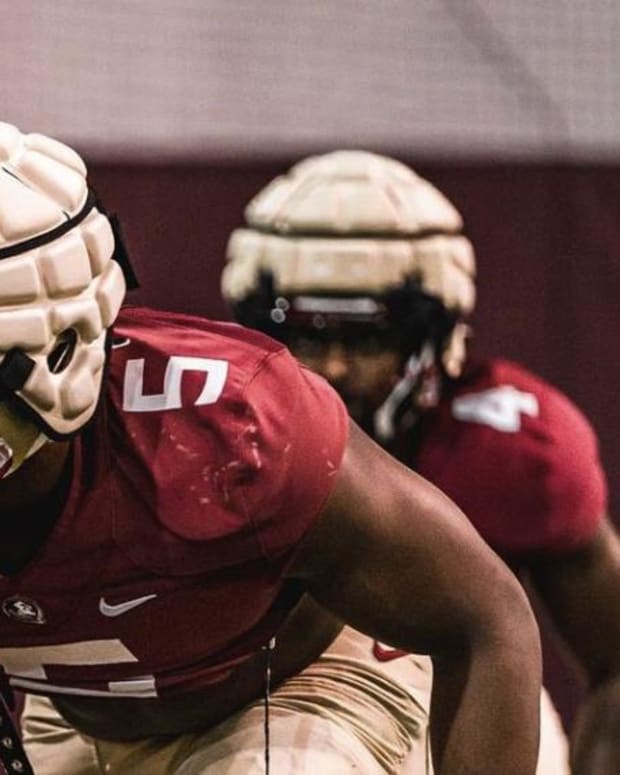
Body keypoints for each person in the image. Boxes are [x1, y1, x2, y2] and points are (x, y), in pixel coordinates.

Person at [0, 125, 541, 775]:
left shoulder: (228, 427)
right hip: (67, 714)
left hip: (284, 692)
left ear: (55, 351)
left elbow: (486, 621)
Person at [222, 149, 620, 775]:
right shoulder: (203, 435)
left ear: (431, 337)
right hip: (275, 714)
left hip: (463, 706)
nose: (332, 368)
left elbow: (615, 662)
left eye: (367, 337)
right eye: (304, 334)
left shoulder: (505, 448)